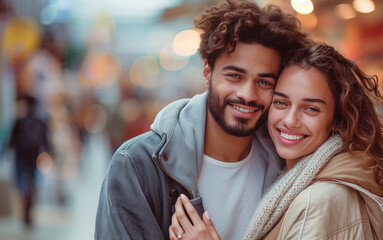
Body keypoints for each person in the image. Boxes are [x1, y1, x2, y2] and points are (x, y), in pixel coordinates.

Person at [94, 0, 310, 239]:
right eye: (235, 76)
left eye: (264, 82)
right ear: (207, 73)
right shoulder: (136, 166)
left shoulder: (288, 169)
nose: (248, 94)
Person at [169, 42, 383, 240]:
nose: (290, 121)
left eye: (311, 108)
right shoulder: (328, 175)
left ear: (337, 120)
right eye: (281, 103)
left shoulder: (316, 201)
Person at [9, 95, 50, 227]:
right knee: (33, 183)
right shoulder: (41, 121)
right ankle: (29, 204)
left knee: (20, 181)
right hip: (34, 157)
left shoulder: (19, 121)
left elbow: (12, 141)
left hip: (20, 157)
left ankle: (25, 201)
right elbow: (46, 141)